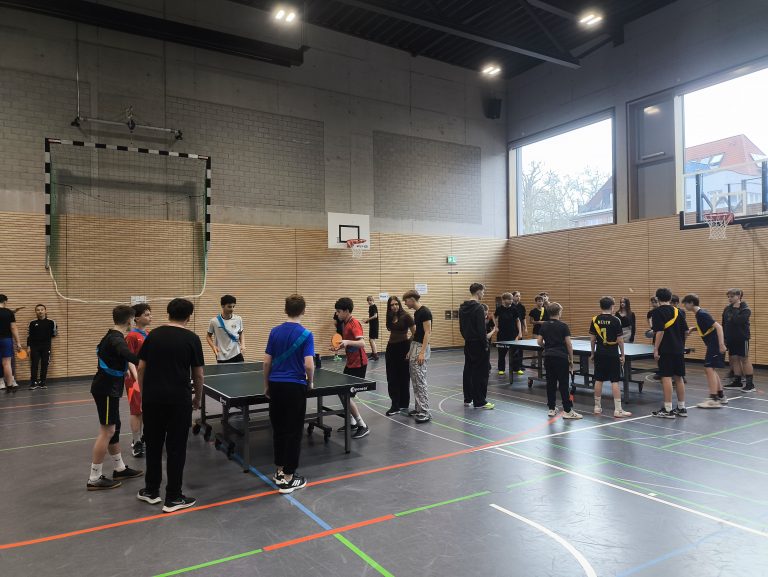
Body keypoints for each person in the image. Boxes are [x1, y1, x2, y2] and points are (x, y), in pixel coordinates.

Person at [137, 298, 204, 512]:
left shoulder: (153, 335)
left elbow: (141, 368)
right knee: (176, 448)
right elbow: (198, 374)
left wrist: (143, 394)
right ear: (189, 317)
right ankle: (173, 497)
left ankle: (151, 490)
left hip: (152, 400)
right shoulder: (192, 338)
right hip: (178, 401)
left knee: (153, 445)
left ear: (168, 313)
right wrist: (198, 398)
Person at [87, 305, 143, 490]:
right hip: (106, 389)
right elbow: (127, 354)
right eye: (133, 319)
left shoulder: (111, 336)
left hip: (110, 388)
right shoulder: (116, 339)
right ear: (129, 320)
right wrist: (148, 360)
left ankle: (119, 468)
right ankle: (94, 478)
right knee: (108, 431)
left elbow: (122, 356)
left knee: (114, 427)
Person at [264, 294, 314, 494]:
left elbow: (266, 362)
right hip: (295, 387)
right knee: (294, 431)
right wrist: (310, 382)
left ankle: (279, 470)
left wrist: (266, 385)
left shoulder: (274, 332)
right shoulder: (306, 334)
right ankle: (288, 479)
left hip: (276, 385)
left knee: (279, 429)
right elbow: (308, 365)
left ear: (285, 310)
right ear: (304, 310)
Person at [331, 297, 370, 439]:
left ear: (346, 311)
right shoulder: (345, 323)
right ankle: (352, 422)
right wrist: (340, 346)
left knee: (346, 395)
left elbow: (362, 343)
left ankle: (362, 425)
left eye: (339, 311)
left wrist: (347, 341)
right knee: (341, 392)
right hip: (350, 363)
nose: (337, 314)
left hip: (359, 365)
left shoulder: (354, 323)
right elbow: (349, 344)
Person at [681, 294, 728, 408]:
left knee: (708, 368)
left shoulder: (702, 314)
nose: (685, 306)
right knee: (711, 369)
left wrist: (721, 344)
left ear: (691, 303)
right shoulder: (700, 314)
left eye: (685, 303)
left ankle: (713, 399)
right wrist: (694, 328)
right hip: (712, 344)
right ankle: (720, 396)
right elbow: (708, 327)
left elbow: (719, 327)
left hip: (715, 344)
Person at [589, 297, 631, 418]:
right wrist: (622, 354)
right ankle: (618, 410)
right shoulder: (616, 320)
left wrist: (592, 353)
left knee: (598, 379)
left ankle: (597, 407)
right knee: (614, 380)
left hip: (600, 352)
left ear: (601, 306)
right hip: (612, 353)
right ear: (612, 307)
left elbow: (592, 339)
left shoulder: (595, 320)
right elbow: (620, 340)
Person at [537, 303, 582, 419]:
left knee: (550, 383)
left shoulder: (544, 325)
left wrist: (546, 347)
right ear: (559, 312)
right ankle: (567, 410)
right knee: (563, 384)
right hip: (561, 358)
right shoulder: (563, 326)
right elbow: (569, 344)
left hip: (548, 357)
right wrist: (571, 359)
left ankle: (551, 409)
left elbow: (539, 341)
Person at [651, 288, 687, 419]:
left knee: (666, 377)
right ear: (670, 298)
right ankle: (681, 408)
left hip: (665, 350)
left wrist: (656, 349)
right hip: (678, 349)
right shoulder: (678, 311)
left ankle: (668, 409)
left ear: (657, 298)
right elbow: (685, 331)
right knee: (679, 377)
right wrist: (681, 344)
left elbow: (660, 332)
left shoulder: (657, 312)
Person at [459, 284, 496, 410]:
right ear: (479, 292)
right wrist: (485, 344)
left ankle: (467, 398)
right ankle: (480, 401)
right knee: (481, 373)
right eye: (483, 292)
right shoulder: (479, 307)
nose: (483, 294)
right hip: (479, 344)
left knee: (468, 370)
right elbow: (481, 329)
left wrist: (467, 338)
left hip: (468, 343)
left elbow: (461, 328)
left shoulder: (462, 307)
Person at [125, 303, 152, 457]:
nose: (150, 317)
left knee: (145, 409)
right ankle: (136, 442)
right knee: (136, 411)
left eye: (150, 314)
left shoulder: (148, 334)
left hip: (147, 378)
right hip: (134, 379)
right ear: (136, 318)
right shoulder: (131, 336)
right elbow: (128, 359)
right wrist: (136, 378)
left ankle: (142, 437)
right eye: (146, 314)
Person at [403, 290, 432, 423]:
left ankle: (425, 412)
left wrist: (421, 352)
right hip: (415, 346)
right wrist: (411, 350)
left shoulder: (425, 312)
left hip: (421, 347)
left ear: (412, 299)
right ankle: (418, 408)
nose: (405, 303)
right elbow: (417, 333)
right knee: (415, 379)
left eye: (406, 301)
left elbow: (427, 332)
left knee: (420, 380)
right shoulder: (417, 313)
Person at [384, 296, 414, 416]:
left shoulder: (406, 316)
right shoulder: (390, 316)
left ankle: (404, 404)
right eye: (392, 305)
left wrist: (409, 347)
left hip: (403, 347)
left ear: (399, 305)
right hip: (391, 348)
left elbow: (415, 332)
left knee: (404, 377)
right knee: (391, 377)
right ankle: (395, 405)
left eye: (396, 304)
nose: (394, 306)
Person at [722, 289, 755, 392]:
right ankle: (737, 382)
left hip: (742, 338)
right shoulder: (727, 309)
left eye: (732, 296)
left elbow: (738, 321)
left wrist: (736, 309)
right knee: (734, 359)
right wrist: (724, 337)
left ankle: (750, 385)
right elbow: (724, 323)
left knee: (744, 359)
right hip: (731, 339)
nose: (729, 299)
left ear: (739, 296)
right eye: (728, 297)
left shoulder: (745, 309)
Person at [26, 304, 57, 390]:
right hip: (34, 347)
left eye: (42, 309)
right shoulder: (32, 323)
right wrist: (28, 347)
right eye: (38, 310)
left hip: (46, 347)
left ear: (45, 311)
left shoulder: (51, 322)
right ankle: (33, 382)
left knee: (44, 364)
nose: (40, 311)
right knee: (34, 365)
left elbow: (54, 334)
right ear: (35, 312)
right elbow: (29, 336)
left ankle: (42, 382)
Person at [207, 294, 245, 363]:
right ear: (222, 306)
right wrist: (213, 346)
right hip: (221, 356)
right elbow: (208, 336)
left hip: (237, 354)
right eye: (229, 307)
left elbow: (241, 333)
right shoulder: (214, 321)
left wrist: (243, 344)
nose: (232, 309)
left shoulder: (238, 319)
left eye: (233, 306)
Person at [494, 292, 522, 376]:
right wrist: (496, 326)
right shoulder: (499, 309)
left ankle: (516, 368)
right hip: (502, 334)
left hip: (513, 333)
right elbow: (494, 317)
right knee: (501, 352)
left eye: (511, 299)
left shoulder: (514, 309)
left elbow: (518, 321)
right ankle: (501, 369)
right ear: (503, 300)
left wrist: (520, 332)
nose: (511, 301)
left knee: (515, 352)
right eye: (509, 299)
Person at [0, 294, 22, 393]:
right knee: (7, 363)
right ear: (5, 301)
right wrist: (18, 343)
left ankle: (1, 382)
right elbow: (13, 328)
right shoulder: (9, 312)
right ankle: (9, 386)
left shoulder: (9, 312)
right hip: (6, 340)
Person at [511, 291, 526, 374]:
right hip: (512, 329)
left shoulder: (522, 307)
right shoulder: (510, 306)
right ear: (513, 297)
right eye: (517, 296)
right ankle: (514, 365)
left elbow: (523, 318)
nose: (518, 297)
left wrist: (525, 328)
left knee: (520, 348)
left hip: (519, 329)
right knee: (513, 348)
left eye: (519, 296)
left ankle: (520, 364)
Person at [363, 296, 380, 361]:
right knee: (370, 339)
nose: (369, 302)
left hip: (375, 325)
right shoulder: (370, 307)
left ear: (373, 300)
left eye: (370, 300)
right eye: (368, 300)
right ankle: (373, 353)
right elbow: (371, 317)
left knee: (372, 340)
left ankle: (376, 355)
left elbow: (375, 316)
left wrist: (367, 319)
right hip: (372, 325)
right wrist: (367, 321)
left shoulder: (374, 306)